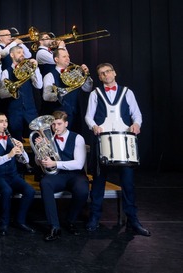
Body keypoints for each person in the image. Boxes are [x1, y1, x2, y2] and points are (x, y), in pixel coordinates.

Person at [84, 63, 150, 236]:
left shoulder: (127, 92)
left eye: (108, 71)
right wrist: (94, 126)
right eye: (101, 73)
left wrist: (136, 124)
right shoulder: (95, 93)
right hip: (103, 141)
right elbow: (88, 116)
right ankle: (94, 217)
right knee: (98, 182)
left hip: (123, 142)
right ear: (99, 77)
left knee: (128, 184)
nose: (105, 75)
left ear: (114, 73)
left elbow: (137, 114)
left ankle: (133, 220)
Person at [38, 111, 89, 242]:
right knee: (45, 183)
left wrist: (55, 163)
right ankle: (54, 226)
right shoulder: (48, 139)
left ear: (66, 124)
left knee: (82, 190)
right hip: (58, 175)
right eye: (53, 124)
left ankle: (70, 220)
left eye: (59, 124)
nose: (56, 127)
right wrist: (40, 151)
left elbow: (78, 164)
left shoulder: (78, 138)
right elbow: (40, 163)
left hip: (75, 175)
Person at [0, 113, 36, 236]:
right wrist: (9, 155)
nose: (4, 124)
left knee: (30, 191)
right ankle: (4, 223)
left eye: (6, 121)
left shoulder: (13, 140)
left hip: (13, 175)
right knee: (7, 191)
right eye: (1, 121)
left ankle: (20, 220)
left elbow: (25, 161)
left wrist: (22, 150)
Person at [41, 48, 92, 134]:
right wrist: (60, 94)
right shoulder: (49, 76)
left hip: (75, 116)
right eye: (64, 56)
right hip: (59, 118)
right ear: (56, 59)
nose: (68, 58)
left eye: (68, 56)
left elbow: (87, 89)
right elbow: (46, 96)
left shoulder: (75, 73)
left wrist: (86, 75)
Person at [0, 45, 42, 140]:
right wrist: (13, 89)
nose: (22, 55)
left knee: (37, 138)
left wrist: (36, 68)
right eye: (19, 52)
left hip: (30, 110)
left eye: (23, 53)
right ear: (12, 55)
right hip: (14, 111)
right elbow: (1, 94)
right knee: (15, 139)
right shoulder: (6, 72)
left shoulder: (29, 68)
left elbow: (39, 85)